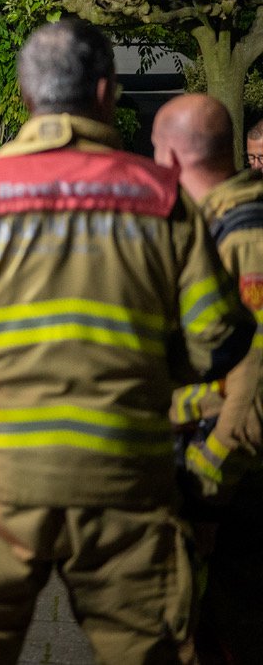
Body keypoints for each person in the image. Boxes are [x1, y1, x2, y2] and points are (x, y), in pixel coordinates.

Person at [0, 19, 255, 665]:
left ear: (25, 95)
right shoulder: (163, 199)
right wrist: (146, 377)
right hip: (126, 477)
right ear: (107, 92)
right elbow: (222, 341)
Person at [151, 93, 263, 665]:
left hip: (234, 489)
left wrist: (206, 484)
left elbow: (254, 385)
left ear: (171, 158)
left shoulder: (242, 236)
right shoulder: (219, 222)